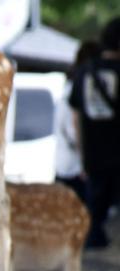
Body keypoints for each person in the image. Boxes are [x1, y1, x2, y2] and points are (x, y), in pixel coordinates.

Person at [70, 18, 120, 248]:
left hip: (93, 158)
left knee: (93, 223)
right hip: (116, 156)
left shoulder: (83, 72)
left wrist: (82, 159)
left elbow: (76, 118)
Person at [56, 40, 100, 203]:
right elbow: (72, 132)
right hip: (74, 170)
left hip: (69, 168)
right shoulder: (74, 90)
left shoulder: (71, 87)